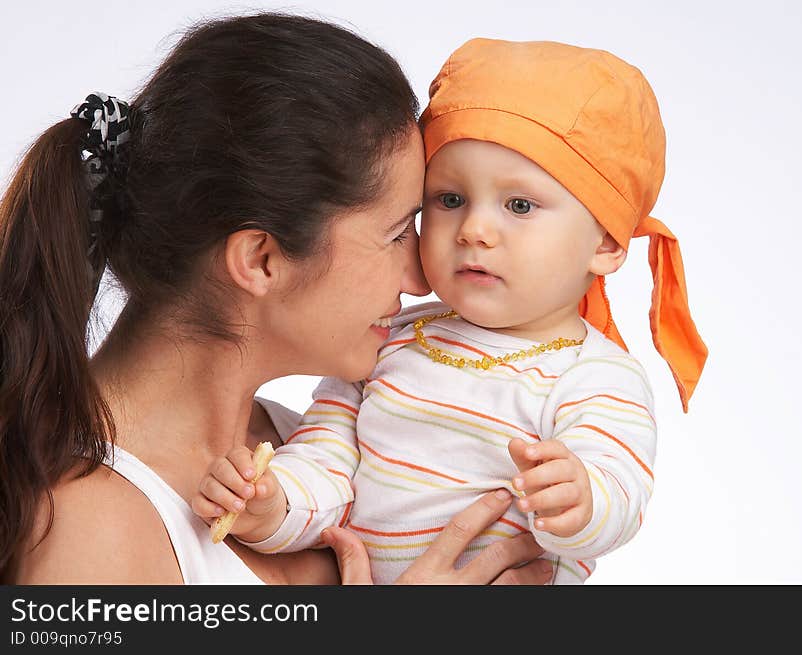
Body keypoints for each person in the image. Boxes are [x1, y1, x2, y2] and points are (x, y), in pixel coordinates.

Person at [0, 15, 554, 585]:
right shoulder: (89, 535)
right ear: (261, 260)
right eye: (395, 234)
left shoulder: (317, 451)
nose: (424, 277)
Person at [193, 38, 709, 584]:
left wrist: (580, 497)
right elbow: (327, 460)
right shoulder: (389, 338)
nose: (474, 231)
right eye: (450, 199)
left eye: (519, 206)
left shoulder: (596, 374)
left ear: (605, 243)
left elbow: (620, 491)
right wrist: (273, 507)